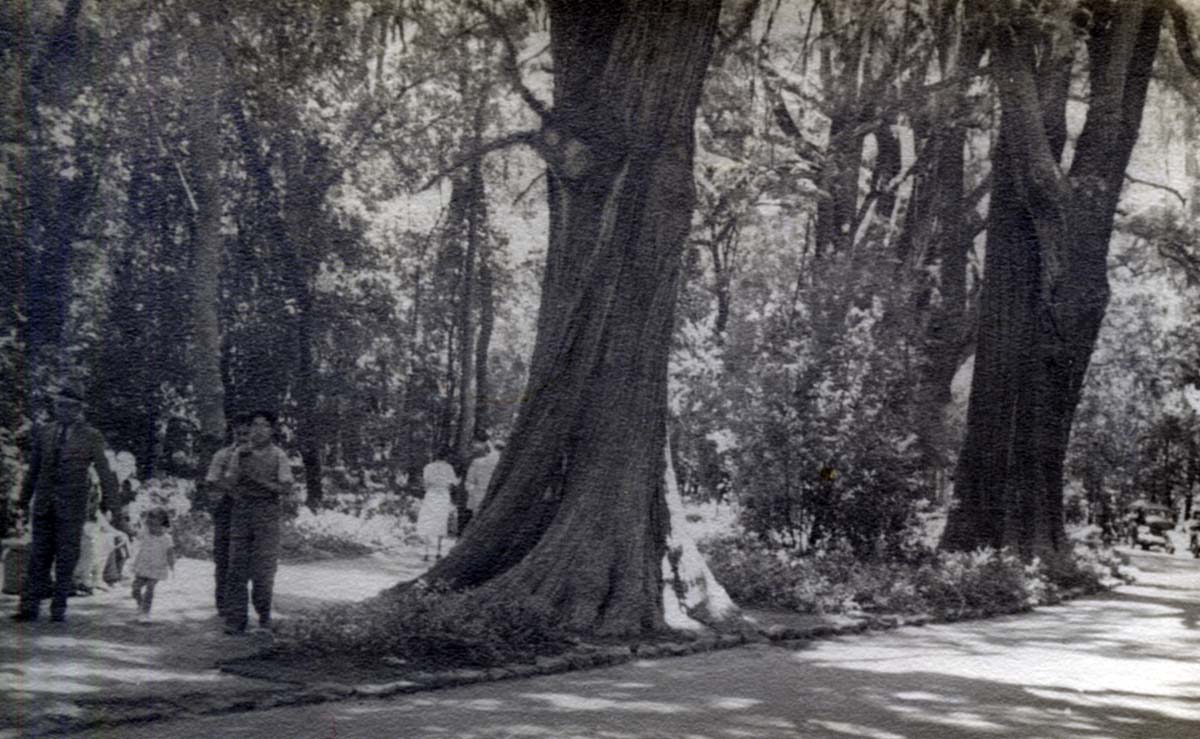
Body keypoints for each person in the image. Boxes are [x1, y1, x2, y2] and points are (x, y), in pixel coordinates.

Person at [12, 380, 118, 623]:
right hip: (43, 505)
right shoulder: (44, 432)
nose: (63, 410)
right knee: (38, 555)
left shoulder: (92, 436)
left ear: (78, 409)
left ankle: (58, 607)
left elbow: (105, 474)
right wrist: (23, 500)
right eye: (59, 405)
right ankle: (29, 607)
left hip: (72, 507)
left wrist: (113, 508)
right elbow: (33, 470)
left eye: (69, 406)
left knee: (66, 557)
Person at [223, 411, 293, 635]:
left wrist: (258, 481)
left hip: (267, 512)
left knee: (263, 570)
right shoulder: (240, 453)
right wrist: (237, 474)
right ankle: (236, 620)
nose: (258, 430)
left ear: (272, 430)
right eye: (255, 425)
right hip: (242, 511)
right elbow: (230, 482)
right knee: (236, 567)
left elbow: (285, 488)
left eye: (264, 426)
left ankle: (264, 617)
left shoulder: (278, 455)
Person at [203, 413, 251, 621]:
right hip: (228, 507)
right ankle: (224, 604)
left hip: (254, 510)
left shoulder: (264, 455)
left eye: (247, 433)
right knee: (223, 556)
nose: (243, 437)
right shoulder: (223, 455)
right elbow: (211, 481)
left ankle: (241, 605)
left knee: (247, 560)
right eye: (239, 433)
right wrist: (232, 490)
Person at [130, 508, 174, 624]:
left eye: (156, 525)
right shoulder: (144, 534)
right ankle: (140, 604)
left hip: (157, 568)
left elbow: (170, 553)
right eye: (150, 524)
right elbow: (134, 534)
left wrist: (171, 564)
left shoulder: (167, 538)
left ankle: (145, 612)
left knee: (150, 588)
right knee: (135, 589)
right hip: (143, 566)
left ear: (162, 524)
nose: (153, 528)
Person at [416, 454, 456, 561]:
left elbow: (425, 485)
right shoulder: (449, 468)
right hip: (443, 495)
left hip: (431, 495)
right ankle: (438, 551)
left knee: (428, 520)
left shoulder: (428, 467)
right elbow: (451, 484)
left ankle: (426, 552)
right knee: (441, 521)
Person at [462, 439, 503, 532]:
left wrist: (471, 492)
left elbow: (469, 480)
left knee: (477, 517)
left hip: (480, 492)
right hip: (492, 493)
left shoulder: (477, 462)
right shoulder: (502, 463)